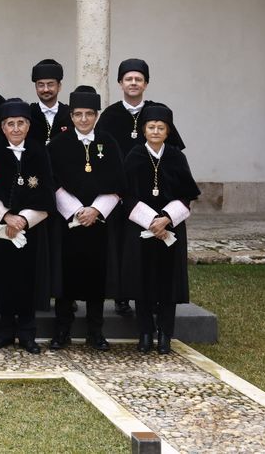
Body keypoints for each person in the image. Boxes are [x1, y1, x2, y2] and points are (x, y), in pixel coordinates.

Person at [96, 58, 185, 319]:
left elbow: (174, 151)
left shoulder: (157, 114)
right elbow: (101, 152)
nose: (133, 83)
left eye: (138, 79)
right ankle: (122, 295)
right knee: (122, 245)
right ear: (120, 83)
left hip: (150, 193)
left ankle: (154, 296)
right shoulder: (110, 115)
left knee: (149, 248)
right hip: (121, 193)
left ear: (146, 83)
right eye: (128, 79)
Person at [47, 86, 126, 351]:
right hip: (68, 223)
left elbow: (119, 183)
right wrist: (76, 210)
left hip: (99, 224)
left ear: (96, 115)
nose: (83, 119)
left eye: (89, 114)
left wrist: (96, 210)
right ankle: (62, 330)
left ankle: (95, 331)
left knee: (96, 279)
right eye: (78, 114)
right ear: (70, 116)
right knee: (66, 279)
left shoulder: (108, 143)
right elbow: (52, 182)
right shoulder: (57, 145)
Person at [122, 105, 200, 354]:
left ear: (168, 131)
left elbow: (187, 195)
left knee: (167, 283)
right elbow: (127, 195)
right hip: (140, 228)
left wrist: (165, 219)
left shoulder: (177, 157)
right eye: (151, 127)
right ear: (144, 130)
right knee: (142, 282)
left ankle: (165, 334)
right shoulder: (133, 156)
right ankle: (145, 333)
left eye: (161, 128)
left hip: (171, 230)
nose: (155, 131)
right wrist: (150, 220)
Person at [0, 98, 54, 354]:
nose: (15, 129)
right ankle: (4, 332)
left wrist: (24, 219)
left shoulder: (39, 152)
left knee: (28, 280)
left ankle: (27, 332)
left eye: (20, 123)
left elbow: (47, 193)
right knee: (4, 280)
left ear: (28, 126)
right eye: (10, 124)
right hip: (2, 229)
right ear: (2, 127)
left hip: (31, 229)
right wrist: (5, 217)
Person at [27, 59, 71, 146]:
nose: (46, 89)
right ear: (36, 87)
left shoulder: (70, 114)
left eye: (50, 84)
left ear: (59, 86)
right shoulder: (28, 114)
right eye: (41, 85)